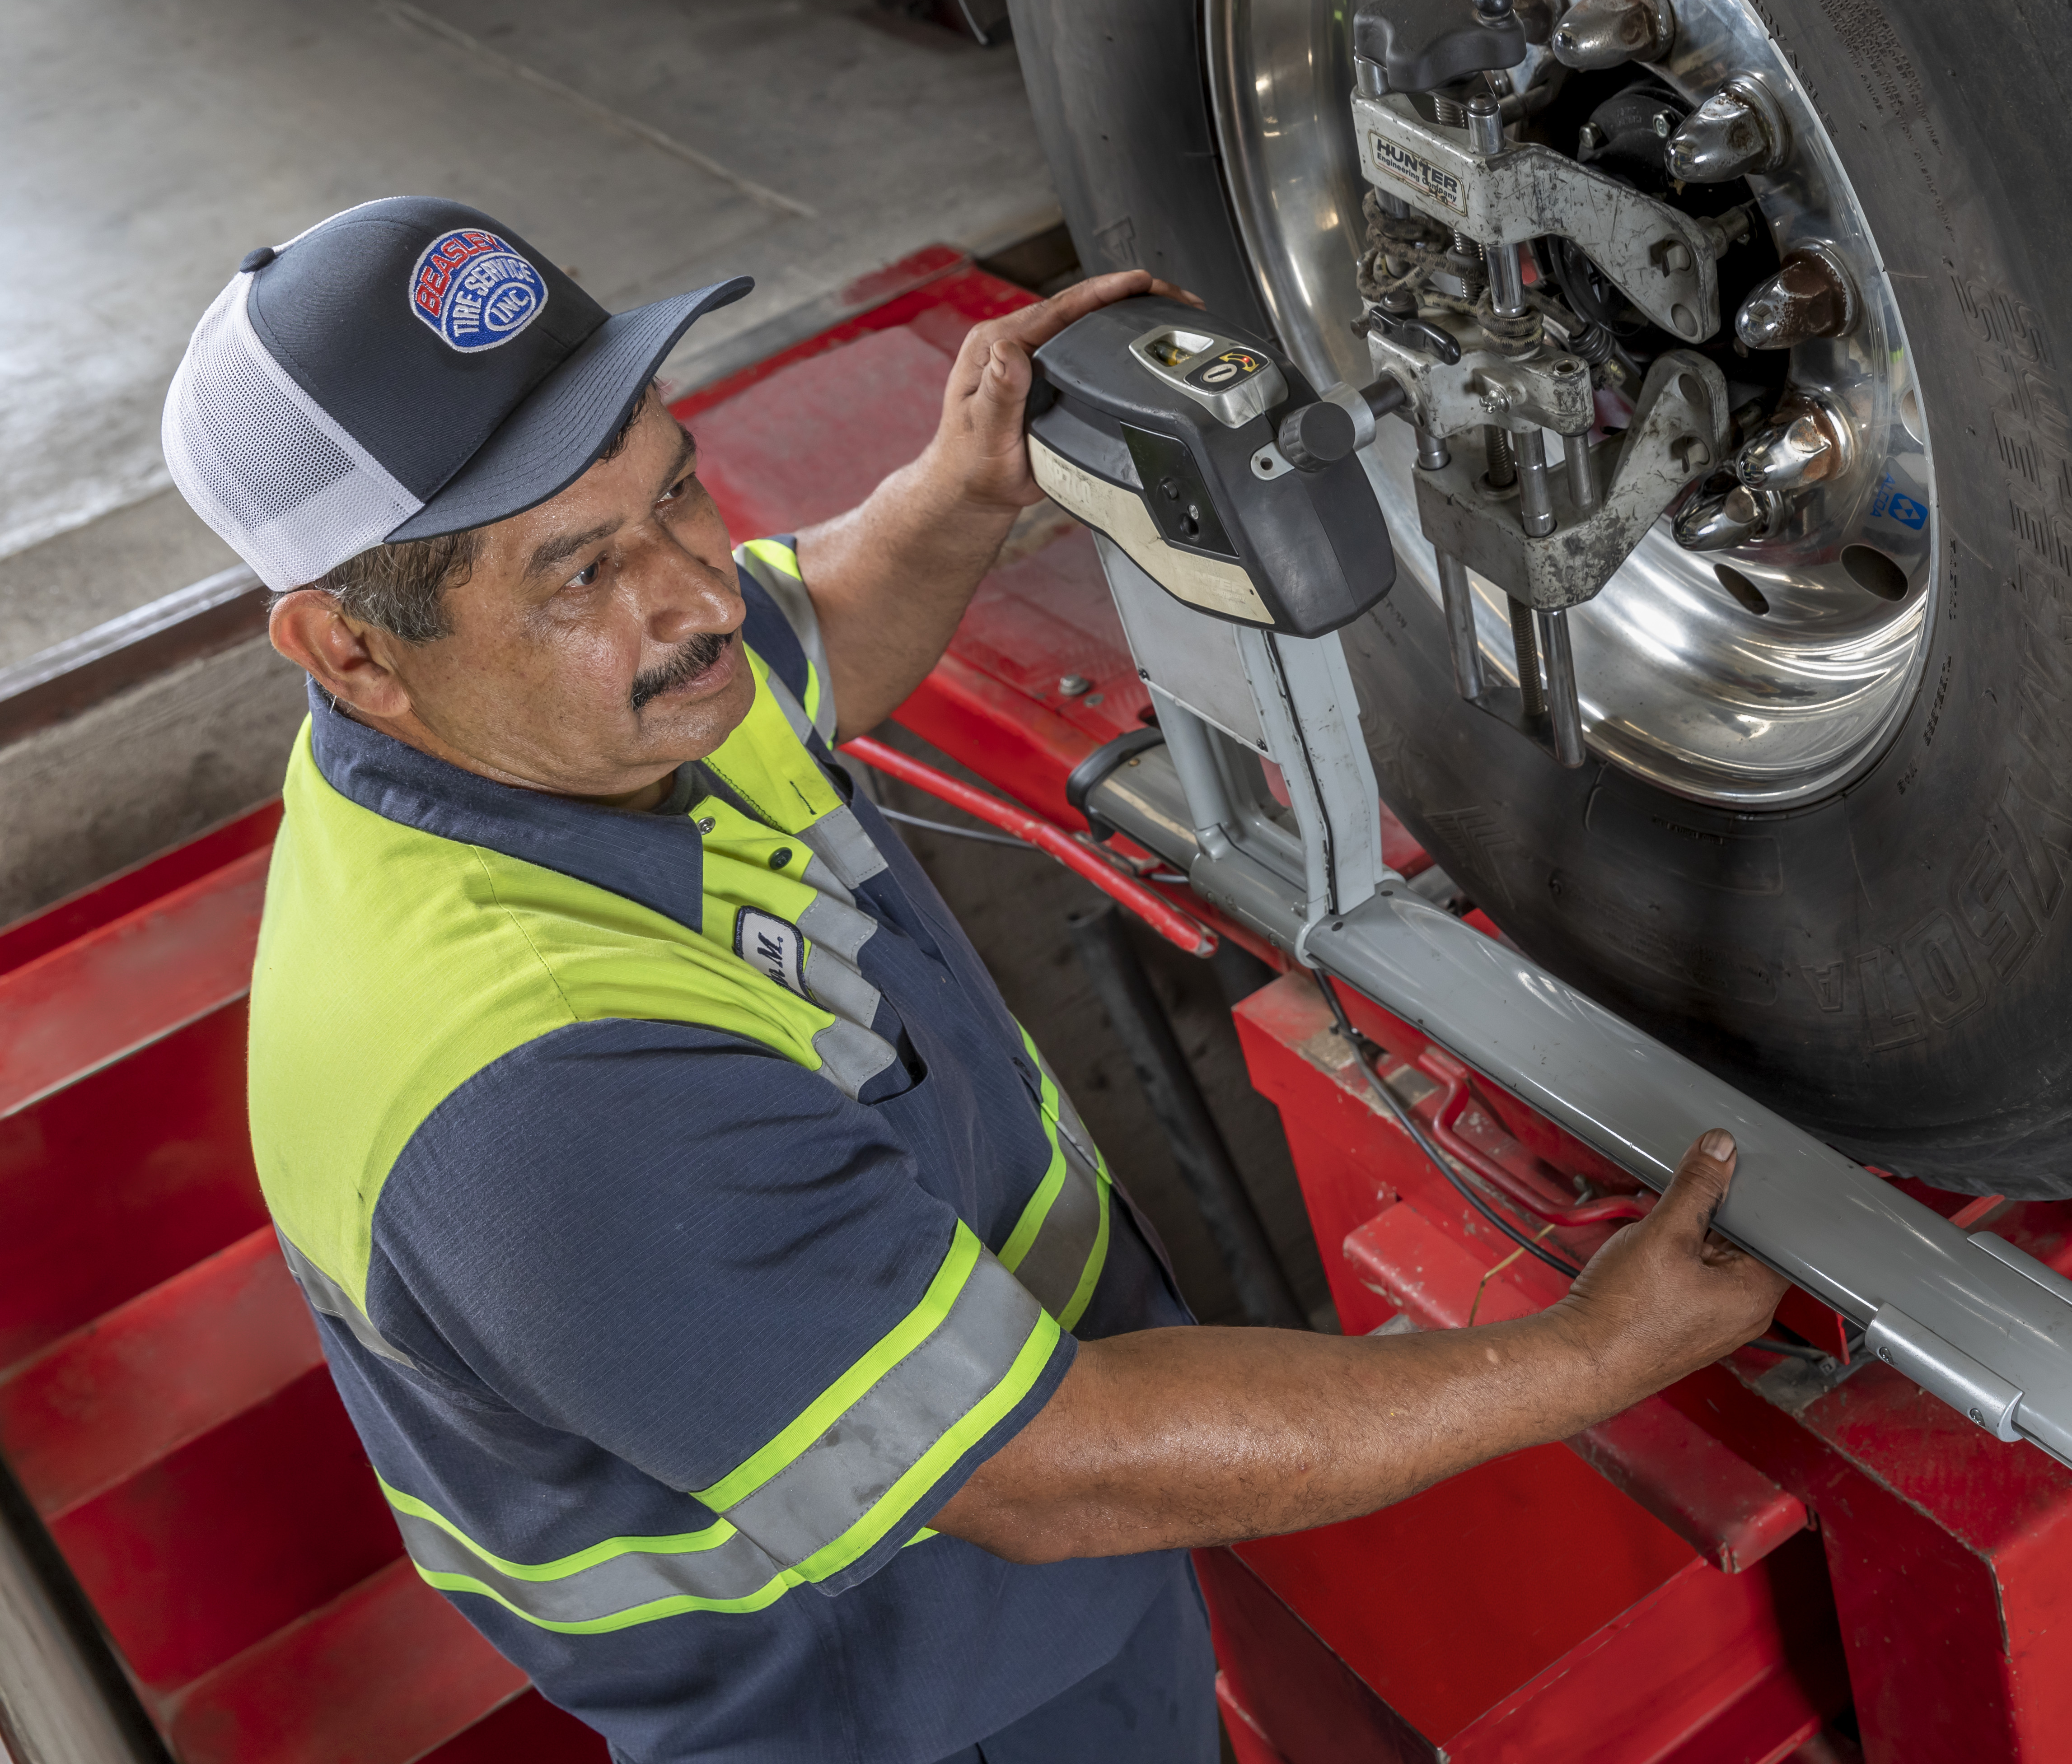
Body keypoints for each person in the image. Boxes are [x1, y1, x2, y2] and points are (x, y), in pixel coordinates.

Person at [162, 197, 1786, 1764]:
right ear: (350, 654)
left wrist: (963, 483)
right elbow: (1057, 1466)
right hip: (914, 1697)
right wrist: (1583, 1361)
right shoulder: (539, 1095)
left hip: (1033, 1603)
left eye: (679, 488)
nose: (698, 592)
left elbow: (812, 635)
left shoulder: (567, 714)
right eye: (580, 572)